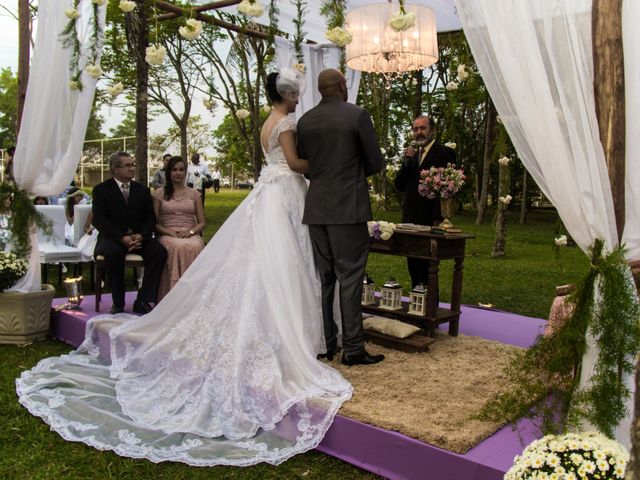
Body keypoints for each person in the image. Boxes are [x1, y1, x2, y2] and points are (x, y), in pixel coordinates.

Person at [16, 69, 352, 467]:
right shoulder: (288, 122)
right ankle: (291, 330)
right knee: (286, 261)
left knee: (270, 262)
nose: (299, 99)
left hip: (269, 193)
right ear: (288, 95)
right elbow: (294, 162)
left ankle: (283, 321)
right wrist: (330, 165)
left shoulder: (267, 121)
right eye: (296, 93)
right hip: (285, 194)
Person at [297, 68, 386, 366]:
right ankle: (353, 349)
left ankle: (328, 343)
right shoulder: (356, 115)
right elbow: (375, 161)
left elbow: (307, 167)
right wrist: (351, 173)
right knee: (350, 277)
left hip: (316, 208)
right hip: (347, 207)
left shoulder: (305, 120)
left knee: (326, 279)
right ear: (341, 86)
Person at [92, 151, 167, 315]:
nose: (132, 168)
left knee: (159, 252)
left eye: (132, 165)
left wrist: (141, 235)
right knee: (113, 253)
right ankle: (118, 302)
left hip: (138, 237)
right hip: (113, 238)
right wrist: (121, 238)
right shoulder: (101, 190)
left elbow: (150, 218)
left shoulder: (142, 190)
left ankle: (143, 299)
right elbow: (99, 220)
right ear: (115, 169)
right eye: (127, 165)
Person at [394, 114, 456, 288]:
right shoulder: (412, 156)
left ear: (432, 130)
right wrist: (406, 161)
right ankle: (417, 305)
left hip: (431, 219)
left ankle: (430, 308)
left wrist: (439, 220)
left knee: (429, 267)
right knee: (413, 264)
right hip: (409, 219)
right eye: (415, 129)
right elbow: (399, 185)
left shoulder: (445, 153)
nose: (418, 132)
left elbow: (447, 188)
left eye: (422, 128)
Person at [152, 156, 205, 300]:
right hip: (167, 233)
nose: (178, 173)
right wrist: (167, 231)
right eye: (174, 170)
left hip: (190, 233)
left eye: (181, 169)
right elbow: (153, 222)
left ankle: (193, 296)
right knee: (177, 246)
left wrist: (191, 232)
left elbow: (201, 222)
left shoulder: (195, 194)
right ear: (169, 172)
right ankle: (173, 297)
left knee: (194, 246)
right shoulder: (159, 194)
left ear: (186, 171)